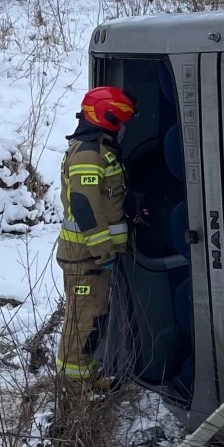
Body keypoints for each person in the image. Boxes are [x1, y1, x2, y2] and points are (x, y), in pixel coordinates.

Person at [55, 86, 135, 387]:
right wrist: (103, 251)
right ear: (106, 115)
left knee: (93, 320)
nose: (123, 126)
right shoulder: (89, 153)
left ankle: (85, 380)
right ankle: (73, 395)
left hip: (92, 257)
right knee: (82, 323)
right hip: (86, 258)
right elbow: (85, 206)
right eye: (119, 119)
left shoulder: (99, 148)